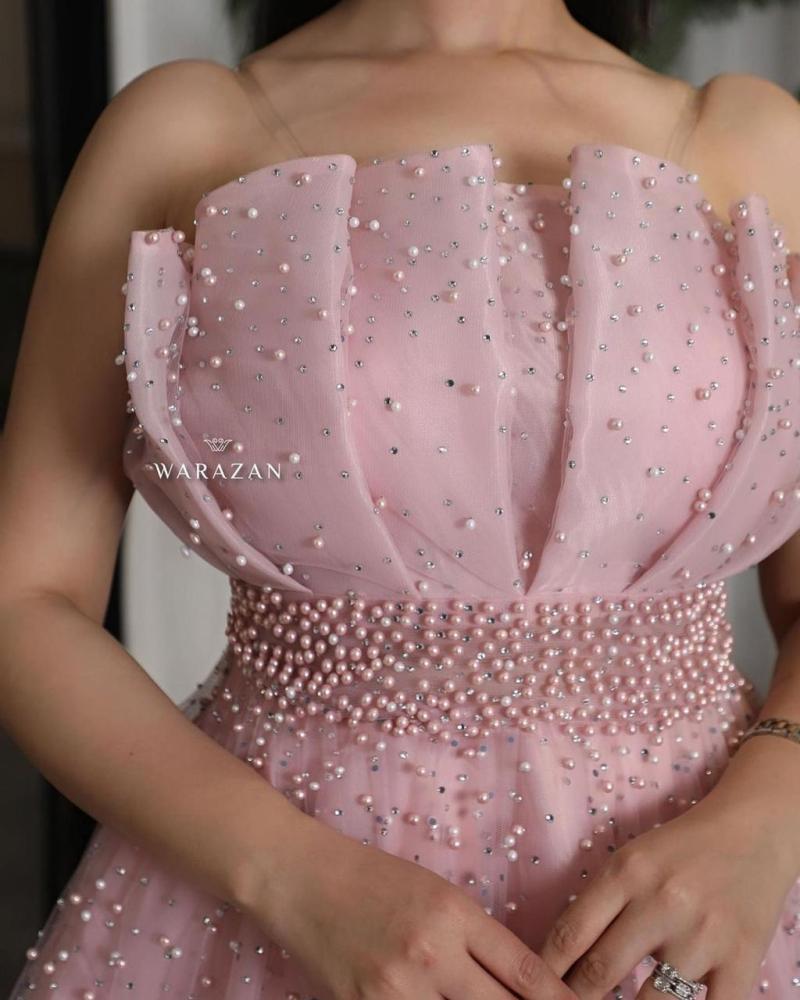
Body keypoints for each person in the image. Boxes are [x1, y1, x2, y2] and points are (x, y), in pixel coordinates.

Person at [3, 0, 800, 997]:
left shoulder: (753, 143)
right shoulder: (187, 132)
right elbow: (23, 599)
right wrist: (293, 878)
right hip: (279, 913)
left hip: (707, 910)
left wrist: (770, 816)